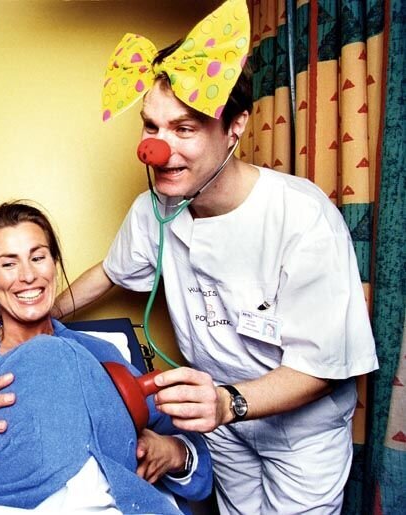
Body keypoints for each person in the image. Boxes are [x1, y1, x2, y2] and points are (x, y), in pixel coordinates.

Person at [53, 0, 379, 513]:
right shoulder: (152, 210)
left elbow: (324, 368)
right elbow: (108, 275)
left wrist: (229, 402)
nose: (158, 149)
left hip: (297, 432)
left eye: (184, 129)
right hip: (223, 428)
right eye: (151, 127)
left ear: (235, 126)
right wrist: (34, 316)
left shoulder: (301, 217)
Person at [0, 201, 213, 514]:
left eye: (38, 257)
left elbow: (199, 470)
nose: (28, 275)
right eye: (8, 263)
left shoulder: (100, 356)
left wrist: (173, 453)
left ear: (54, 264)